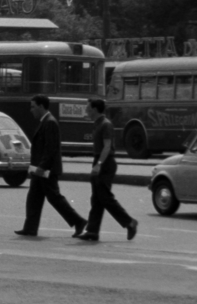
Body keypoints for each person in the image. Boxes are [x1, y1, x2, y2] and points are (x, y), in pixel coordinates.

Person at [16, 94, 86, 237]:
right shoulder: (45, 121)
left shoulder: (50, 122)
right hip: (40, 168)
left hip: (46, 170)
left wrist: (42, 167)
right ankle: (30, 228)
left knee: (54, 198)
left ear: (41, 106)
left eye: (33, 107)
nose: (31, 110)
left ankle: (78, 221)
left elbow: (51, 148)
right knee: (34, 199)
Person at [79, 96, 137, 242]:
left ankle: (129, 222)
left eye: (88, 107)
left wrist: (98, 164)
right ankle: (92, 231)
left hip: (106, 162)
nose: (86, 110)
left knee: (105, 197)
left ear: (94, 109)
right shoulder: (98, 124)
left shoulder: (106, 124)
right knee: (97, 198)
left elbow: (107, 146)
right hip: (100, 160)